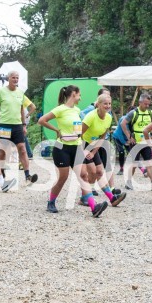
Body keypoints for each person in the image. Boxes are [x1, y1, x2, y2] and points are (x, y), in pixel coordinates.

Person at [38, 85, 108, 217]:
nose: (80, 98)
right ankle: (51, 202)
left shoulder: (77, 110)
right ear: (74, 94)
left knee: (83, 176)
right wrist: (56, 130)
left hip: (76, 147)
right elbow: (42, 120)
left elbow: (78, 131)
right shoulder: (60, 109)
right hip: (62, 149)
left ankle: (94, 208)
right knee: (63, 178)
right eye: (79, 94)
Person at [80, 92, 126, 208]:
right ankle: (85, 197)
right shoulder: (90, 116)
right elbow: (79, 134)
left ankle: (112, 198)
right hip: (82, 143)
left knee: (100, 172)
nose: (108, 106)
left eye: (109, 104)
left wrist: (94, 151)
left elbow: (102, 137)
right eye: (105, 104)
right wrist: (84, 151)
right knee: (92, 171)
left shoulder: (109, 117)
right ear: (99, 104)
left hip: (94, 145)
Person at [0, 70, 38, 184]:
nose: (15, 79)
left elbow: (22, 110)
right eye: (13, 77)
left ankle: (28, 176)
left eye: (17, 78)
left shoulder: (20, 92)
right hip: (4, 125)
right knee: (3, 151)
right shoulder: (1, 92)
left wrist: (24, 125)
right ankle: (2, 175)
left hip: (17, 126)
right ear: (8, 79)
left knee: (22, 150)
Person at [120, 92, 152, 191]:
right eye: (145, 104)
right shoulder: (133, 113)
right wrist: (129, 136)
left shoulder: (150, 112)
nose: (147, 106)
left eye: (148, 104)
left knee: (149, 162)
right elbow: (123, 123)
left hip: (145, 142)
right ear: (140, 102)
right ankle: (128, 182)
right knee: (134, 163)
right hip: (135, 142)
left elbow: (151, 123)